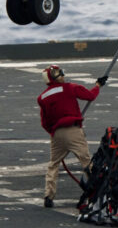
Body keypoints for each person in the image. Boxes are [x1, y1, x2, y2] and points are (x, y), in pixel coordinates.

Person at [37, 64, 106, 208]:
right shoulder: (70, 87)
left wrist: (54, 132)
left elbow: (44, 122)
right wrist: (98, 85)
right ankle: (96, 192)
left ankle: (48, 196)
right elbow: (90, 96)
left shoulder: (42, 97)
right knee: (86, 162)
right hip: (73, 131)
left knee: (53, 164)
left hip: (56, 134)